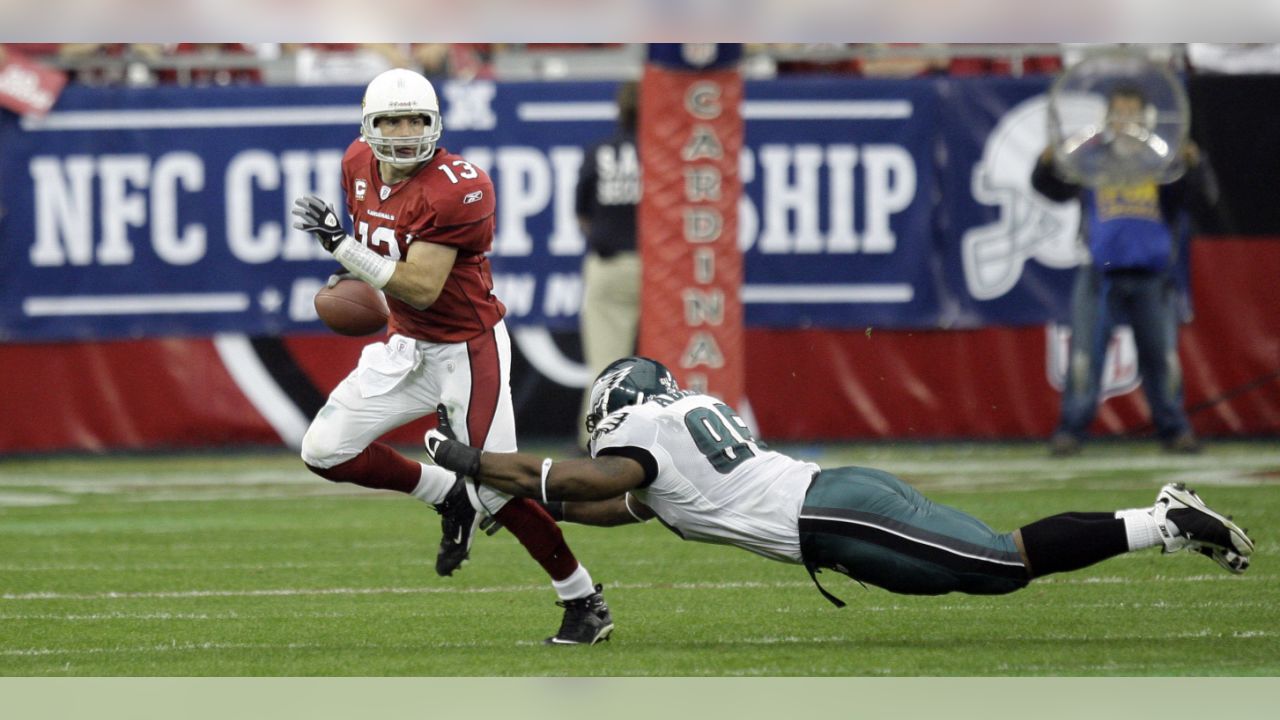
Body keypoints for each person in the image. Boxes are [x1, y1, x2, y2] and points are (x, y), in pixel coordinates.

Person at [424, 356, 1254, 614]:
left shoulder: (643, 434)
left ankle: (1161, 520)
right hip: (840, 503)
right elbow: (602, 505)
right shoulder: (680, 427)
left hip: (834, 516)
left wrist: (472, 463)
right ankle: (1161, 523)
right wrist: (526, 498)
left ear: (618, 406)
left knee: (999, 565)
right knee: (993, 566)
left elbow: (578, 475)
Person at [291, 68, 612, 646]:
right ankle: (445, 493)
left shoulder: (460, 186)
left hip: (467, 348)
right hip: (405, 342)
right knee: (323, 450)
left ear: (435, 122)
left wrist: (343, 246)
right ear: (370, 125)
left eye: (416, 118)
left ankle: (583, 598)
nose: (405, 130)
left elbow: (421, 286)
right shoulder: (356, 165)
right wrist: (350, 268)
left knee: (497, 487)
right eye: (392, 119)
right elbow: (383, 262)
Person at [1034, 83, 1220, 457]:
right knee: (1085, 357)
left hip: (1152, 274)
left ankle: (1174, 430)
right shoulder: (1092, 160)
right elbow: (1051, 188)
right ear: (1107, 118)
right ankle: (1071, 430)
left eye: (1132, 112)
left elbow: (1203, 199)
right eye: (1118, 112)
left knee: (1162, 359)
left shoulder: (1163, 161)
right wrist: (1047, 164)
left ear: (1146, 117)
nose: (1125, 120)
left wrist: (1195, 164)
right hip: (1099, 273)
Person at [575, 80, 642, 452]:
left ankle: (597, 439)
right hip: (666, 270)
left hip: (611, 261)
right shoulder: (671, 151)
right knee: (674, 355)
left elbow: (582, 214)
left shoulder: (600, 151)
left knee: (607, 365)